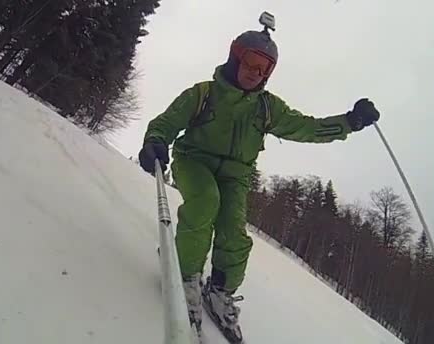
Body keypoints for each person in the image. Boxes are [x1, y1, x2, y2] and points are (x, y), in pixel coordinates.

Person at [138, 23, 380, 343]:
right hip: (194, 160)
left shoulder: (266, 107)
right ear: (235, 58)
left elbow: (305, 128)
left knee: (234, 231)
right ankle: (184, 275)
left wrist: (350, 122)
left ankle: (220, 290)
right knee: (204, 202)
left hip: (235, 176)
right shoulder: (204, 93)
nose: (256, 73)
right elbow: (167, 122)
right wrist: (155, 141)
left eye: (265, 69)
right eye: (251, 63)